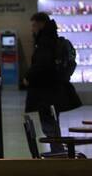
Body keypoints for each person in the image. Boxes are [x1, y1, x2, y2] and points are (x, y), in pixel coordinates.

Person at [24, 12, 81, 140]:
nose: (32, 29)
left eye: (34, 25)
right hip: (55, 90)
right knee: (53, 121)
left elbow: (41, 64)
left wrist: (28, 77)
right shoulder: (52, 40)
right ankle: (58, 152)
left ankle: (57, 154)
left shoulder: (45, 42)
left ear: (41, 24)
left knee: (49, 125)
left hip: (45, 92)